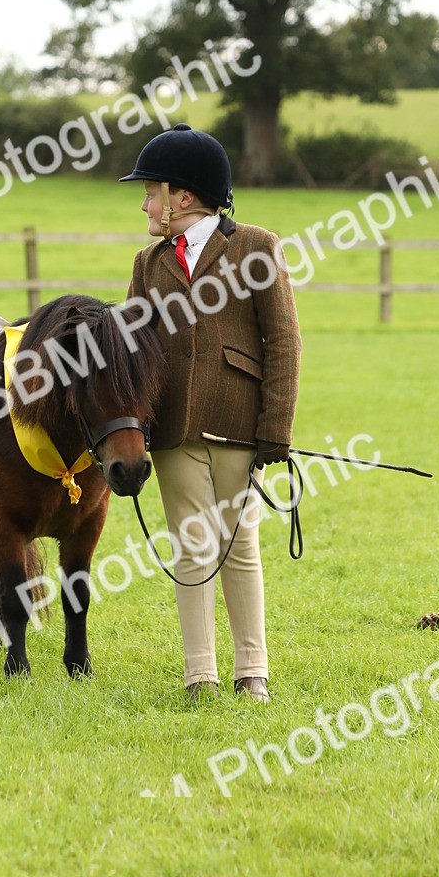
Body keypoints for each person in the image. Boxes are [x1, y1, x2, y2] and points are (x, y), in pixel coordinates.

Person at [120, 123, 301, 703]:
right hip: (171, 429)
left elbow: (284, 342)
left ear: (184, 198)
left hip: (238, 424)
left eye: (152, 191)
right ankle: (200, 673)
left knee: (238, 542)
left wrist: (275, 430)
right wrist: (134, 425)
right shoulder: (148, 263)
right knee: (190, 549)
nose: (145, 202)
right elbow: (132, 351)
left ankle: (254, 671)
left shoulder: (255, 246)